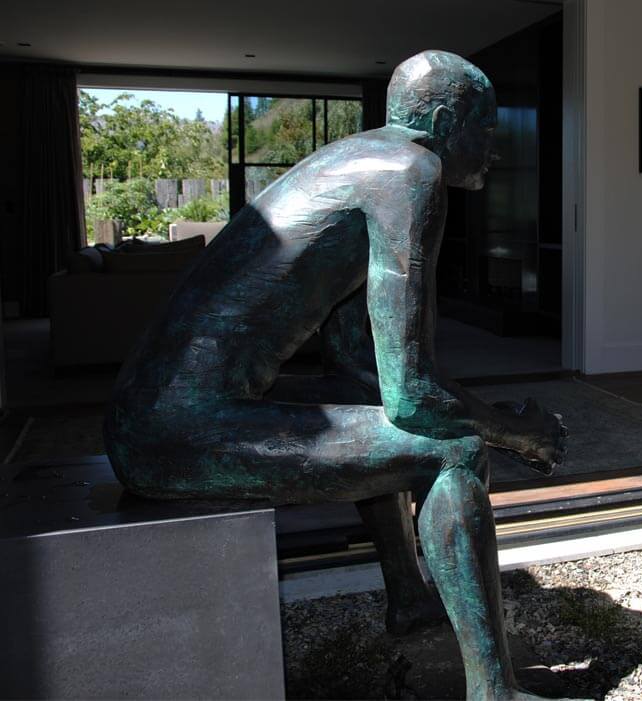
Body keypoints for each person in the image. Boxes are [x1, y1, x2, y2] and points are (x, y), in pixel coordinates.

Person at [105, 50, 566, 700]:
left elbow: (360, 371)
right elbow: (414, 398)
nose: (495, 146)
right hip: (175, 432)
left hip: (153, 417)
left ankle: (409, 598)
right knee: (453, 450)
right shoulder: (413, 172)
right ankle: (494, 691)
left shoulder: (363, 163)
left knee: (359, 398)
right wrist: (517, 431)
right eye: (487, 130)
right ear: (441, 121)